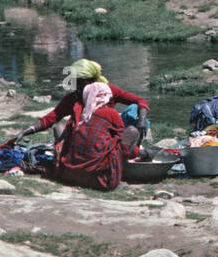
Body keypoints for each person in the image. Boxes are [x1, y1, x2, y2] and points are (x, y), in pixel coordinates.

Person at [14, 59, 148, 189]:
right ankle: (113, 169)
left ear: (87, 81)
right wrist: (27, 130)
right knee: (60, 128)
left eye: (76, 82)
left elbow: (140, 101)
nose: (74, 86)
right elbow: (51, 118)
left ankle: (72, 165)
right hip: (88, 140)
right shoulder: (76, 98)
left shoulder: (108, 92)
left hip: (95, 139)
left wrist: (141, 118)